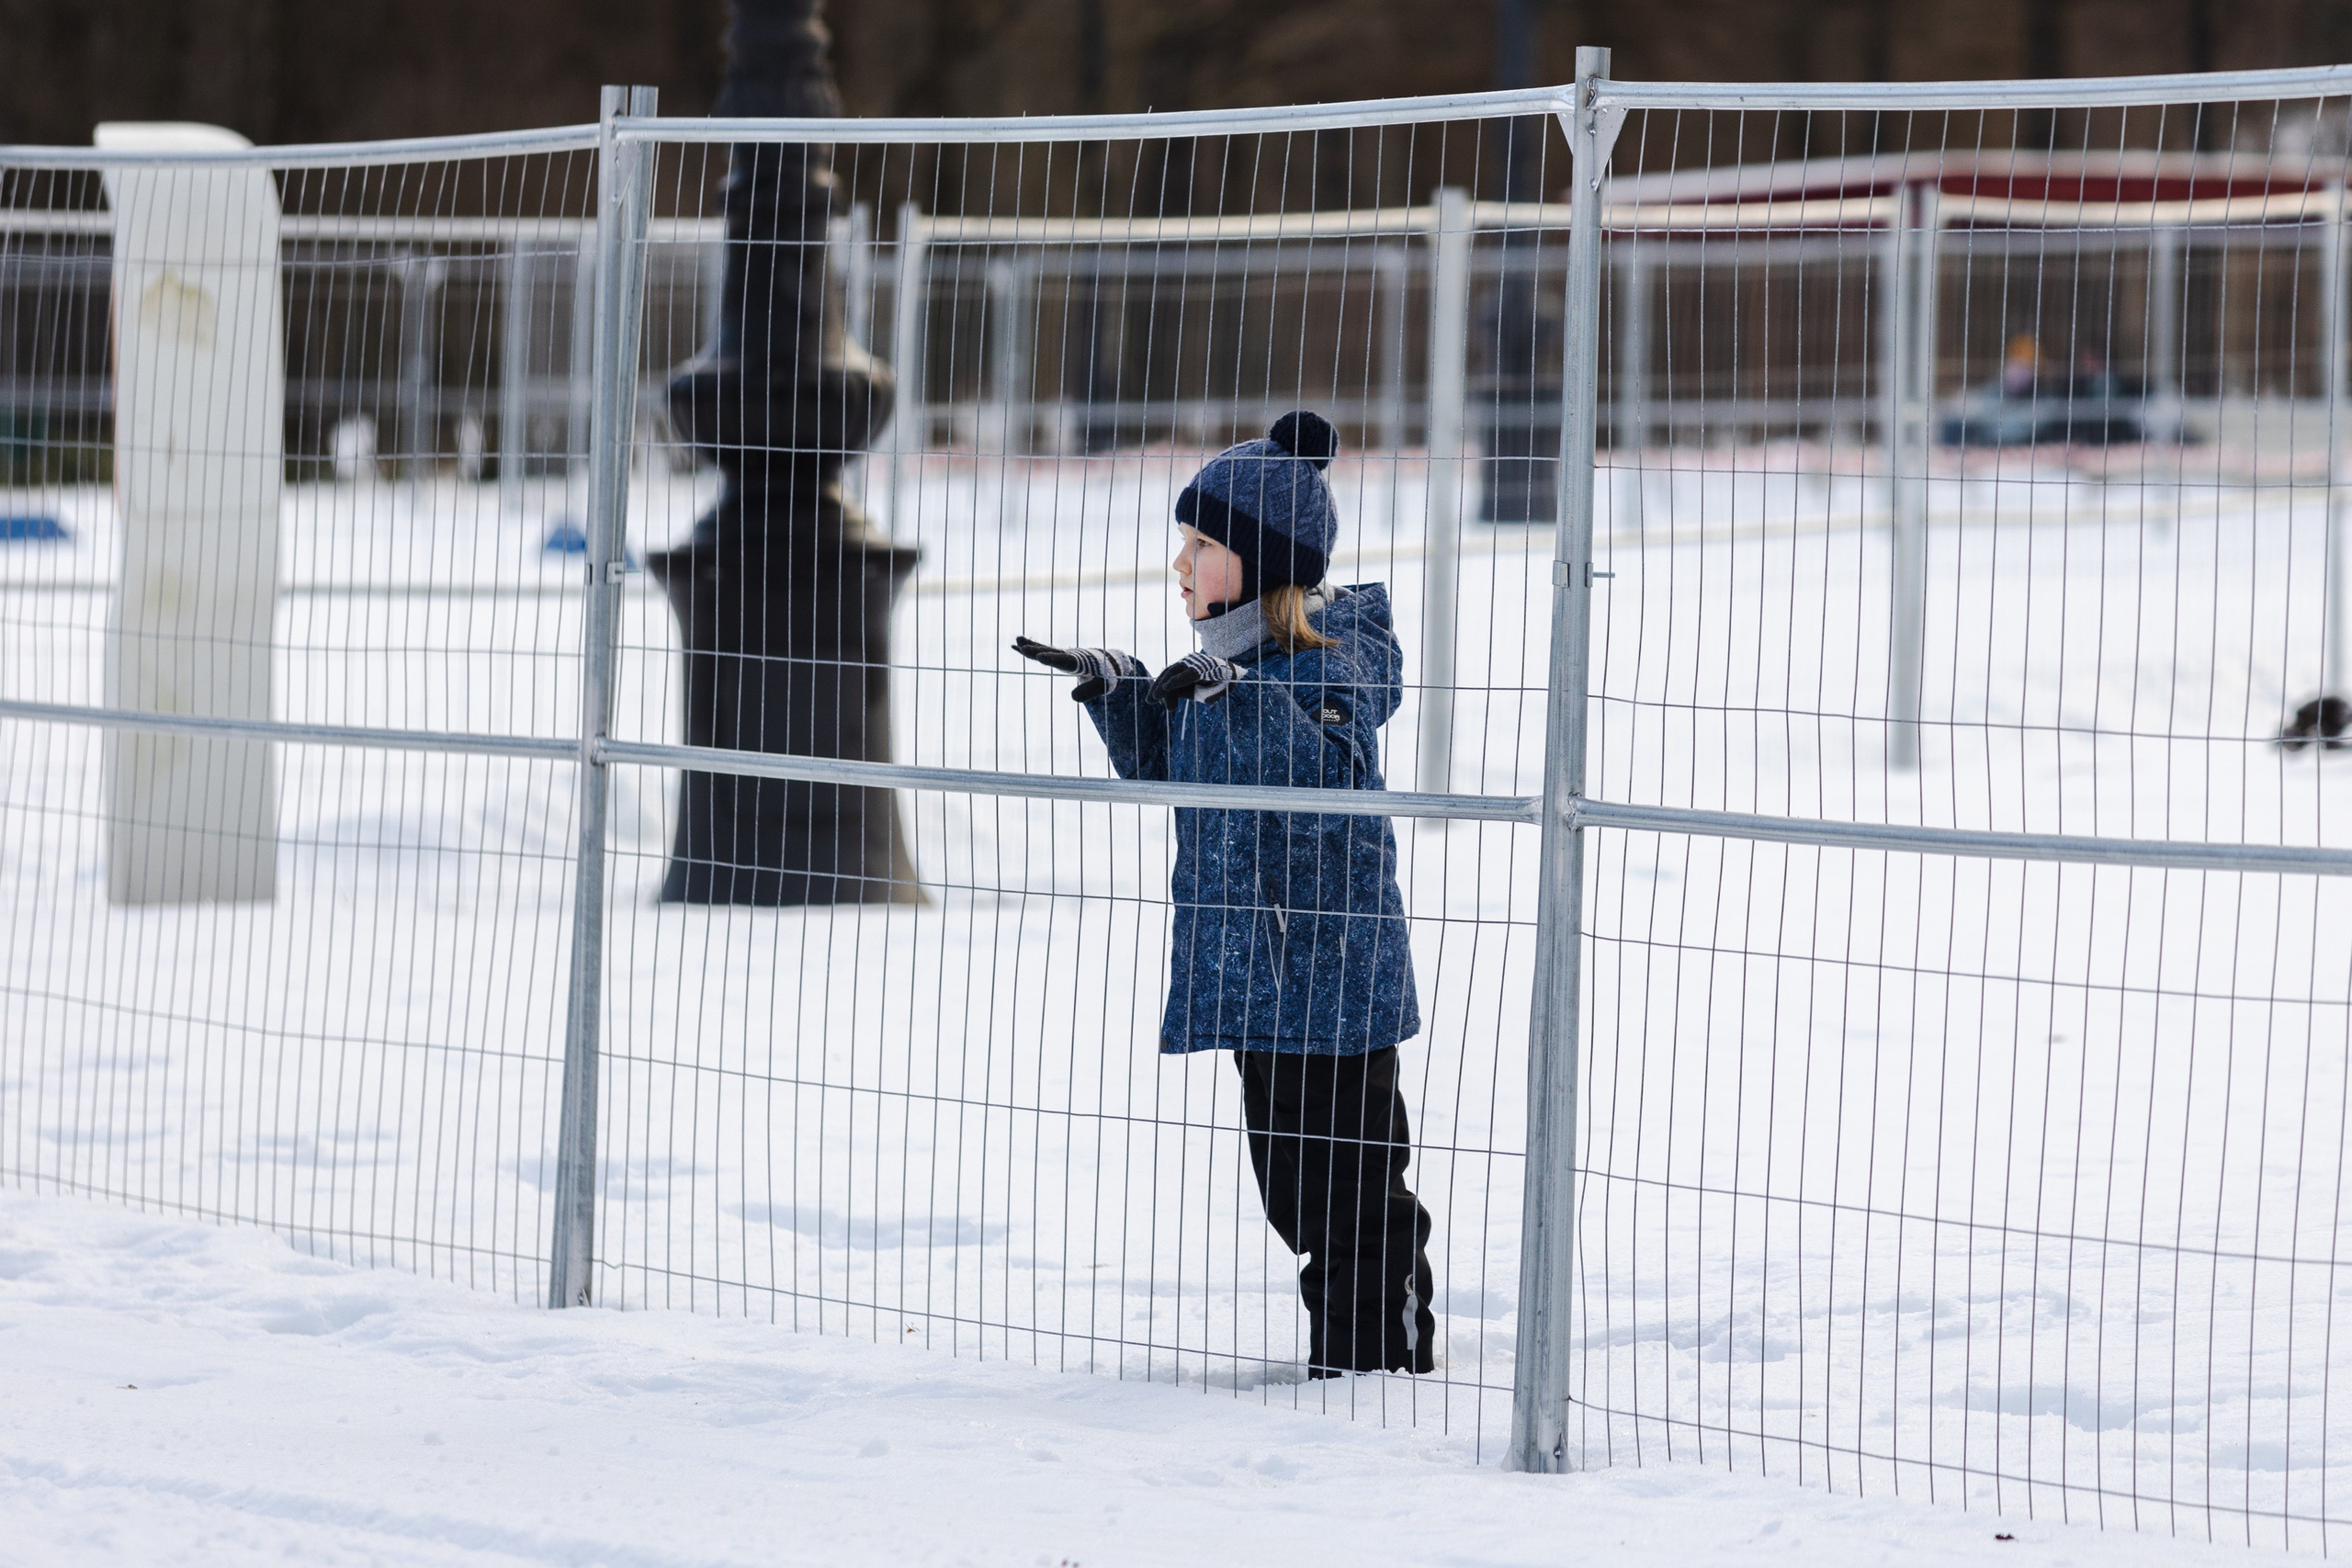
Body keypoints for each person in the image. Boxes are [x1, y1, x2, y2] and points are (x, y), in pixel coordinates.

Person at [1012, 411, 1438, 1378]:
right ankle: (1355, 1349)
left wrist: (1233, 694)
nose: (1180, 563)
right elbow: (1181, 776)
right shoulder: (1228, 671)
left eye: (1200, 544)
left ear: (1260, 559)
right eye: (1184, 542)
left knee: (1353, 1185)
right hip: (1258, 975)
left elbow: (1324, 771)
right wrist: (1123, 694)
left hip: (1331, 978)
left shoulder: (1337, 663)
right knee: (1292, 1185)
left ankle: (1379, 1360)